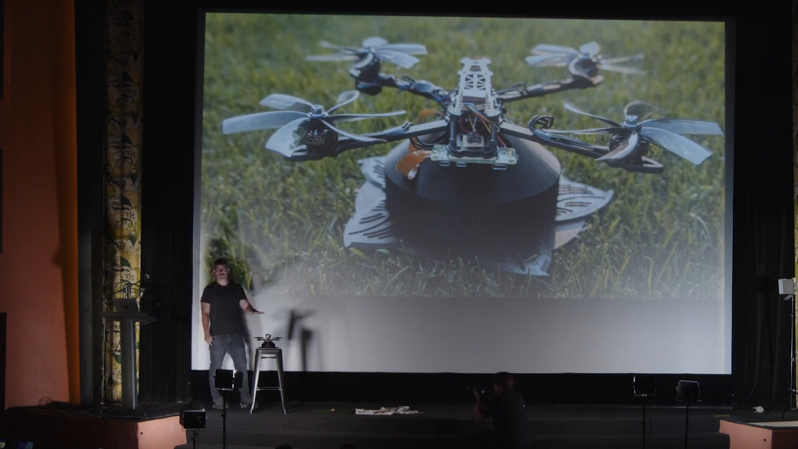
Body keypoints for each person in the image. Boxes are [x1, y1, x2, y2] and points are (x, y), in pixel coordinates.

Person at [201, 258, 264, 409]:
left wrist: (253, 311)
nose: (221, 271)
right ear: (214, 272)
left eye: (224, 269)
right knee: (215, 368)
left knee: (242, 367)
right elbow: (205, 313)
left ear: (228, 271)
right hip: (218, 335)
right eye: (218, 269)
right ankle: (217, 400)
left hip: (236, 335)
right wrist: (207, 332)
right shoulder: (209, 290)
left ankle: (246, 398)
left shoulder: (236, 288)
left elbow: (244, 304)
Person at [473, 372, 532, 449]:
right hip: (525, 440)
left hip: (510, 443)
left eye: (494, 384)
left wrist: (478, 399)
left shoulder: (496, 401)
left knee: (478, 437)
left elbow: (477, 417)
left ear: (500, 386)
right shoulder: (518, 396)